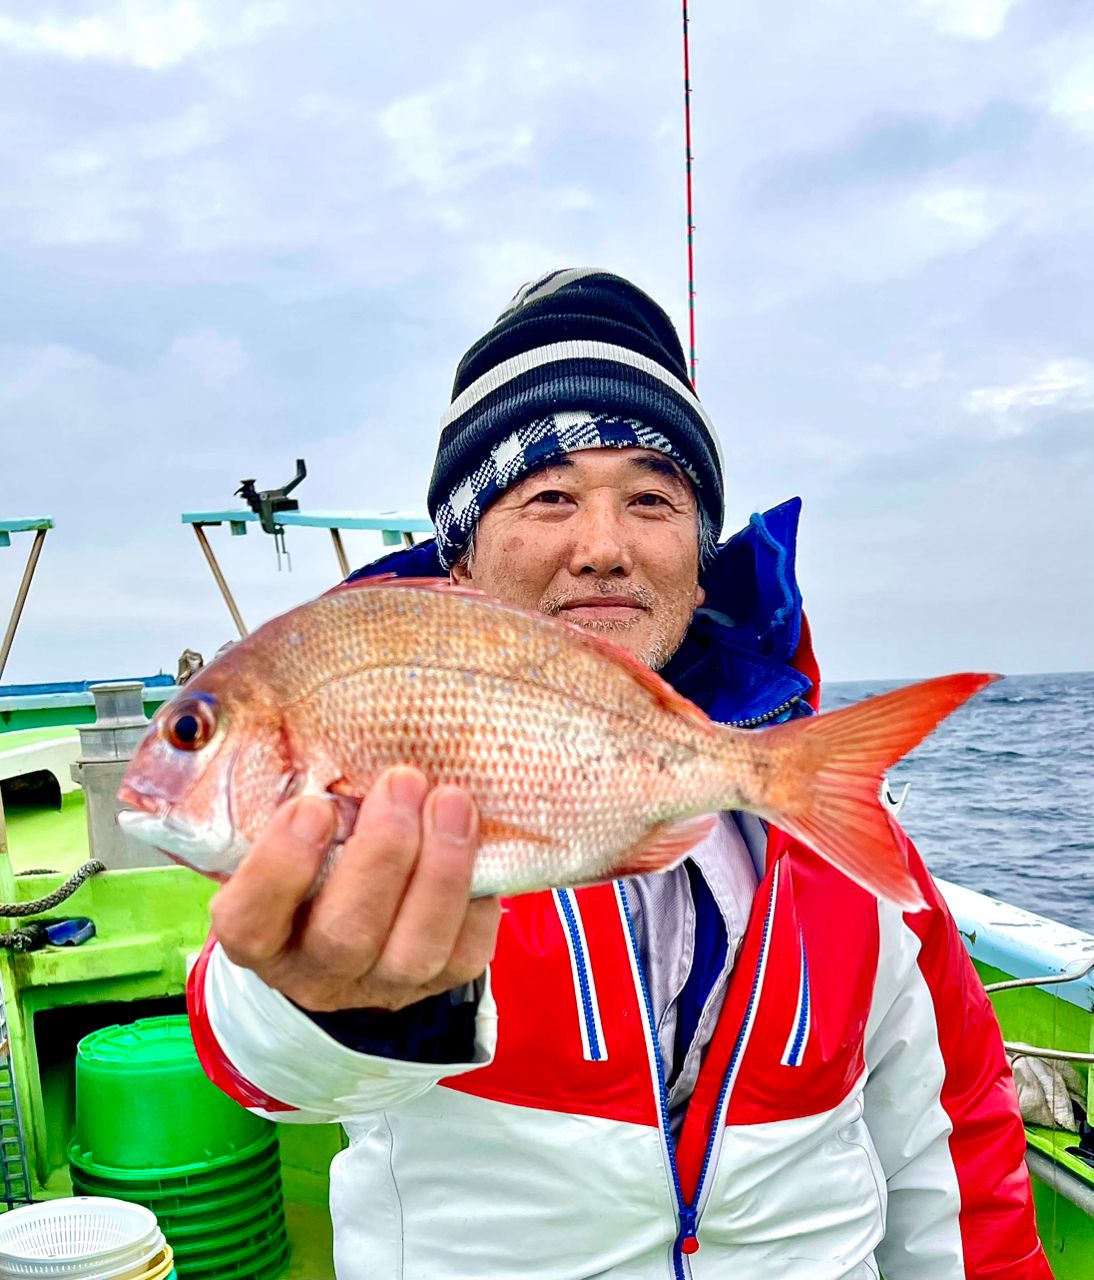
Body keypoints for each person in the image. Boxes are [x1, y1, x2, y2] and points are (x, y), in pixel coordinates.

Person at [187, 269, 1050, 1279]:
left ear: (697, 552)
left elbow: (946, 1134)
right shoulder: (385, 784)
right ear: (457, 563)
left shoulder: (845, 837)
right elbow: (262, 1063)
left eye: (650, 497)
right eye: (548, 495)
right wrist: (331, 997)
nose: (601, 547)